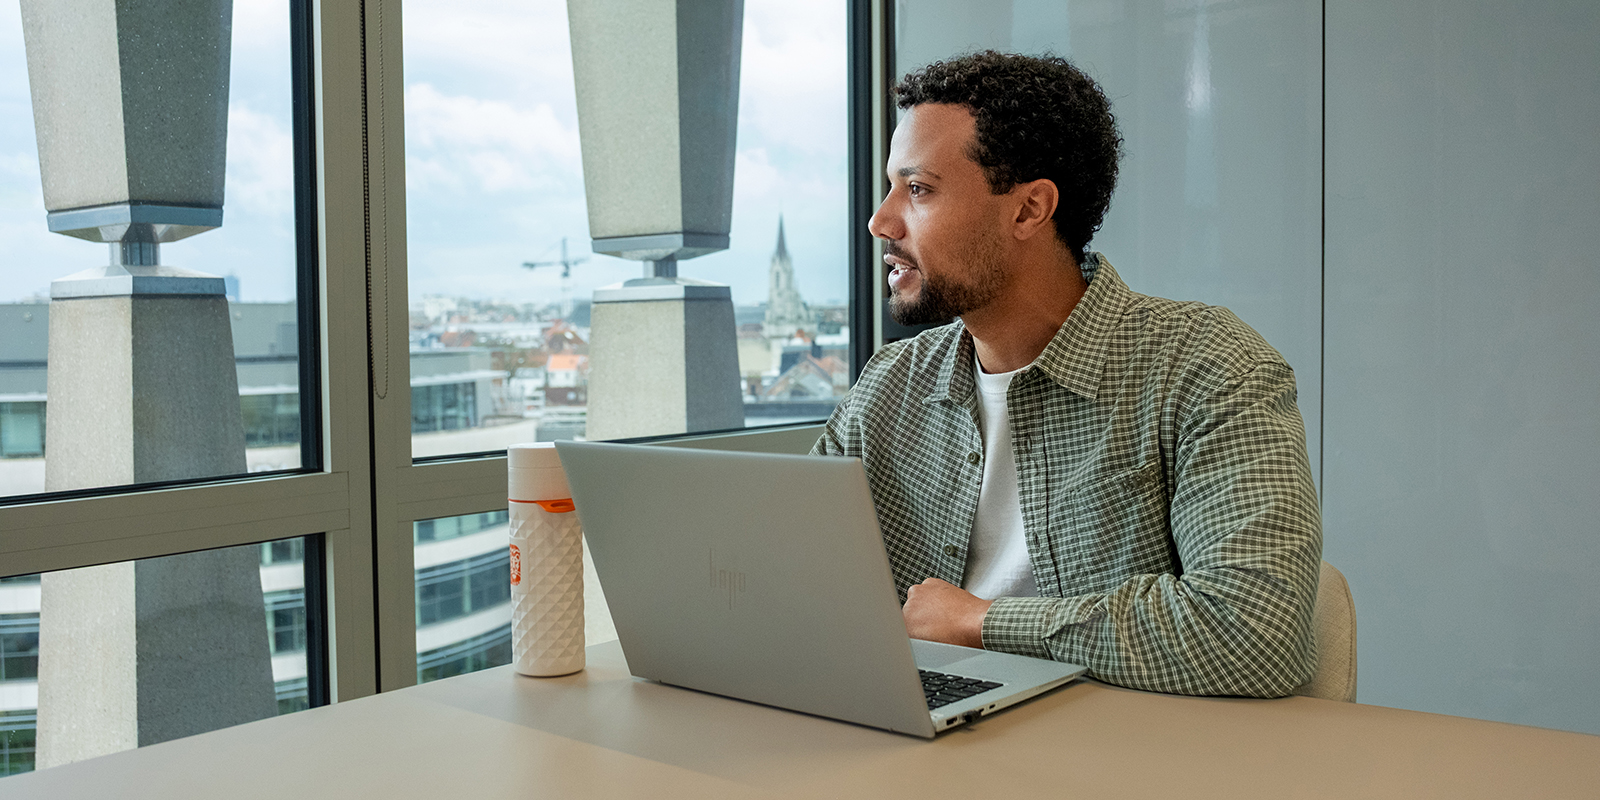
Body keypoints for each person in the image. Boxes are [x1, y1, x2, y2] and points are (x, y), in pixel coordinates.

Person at [812, 51, 1322, 698]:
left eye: (918, 189)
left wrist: (982, 623)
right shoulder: (891, 383)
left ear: (1029, 210)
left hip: (1128, 755)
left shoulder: (1208, 368)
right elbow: (789, 569)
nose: (881, 221)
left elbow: (1254, 633)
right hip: (919, 737)